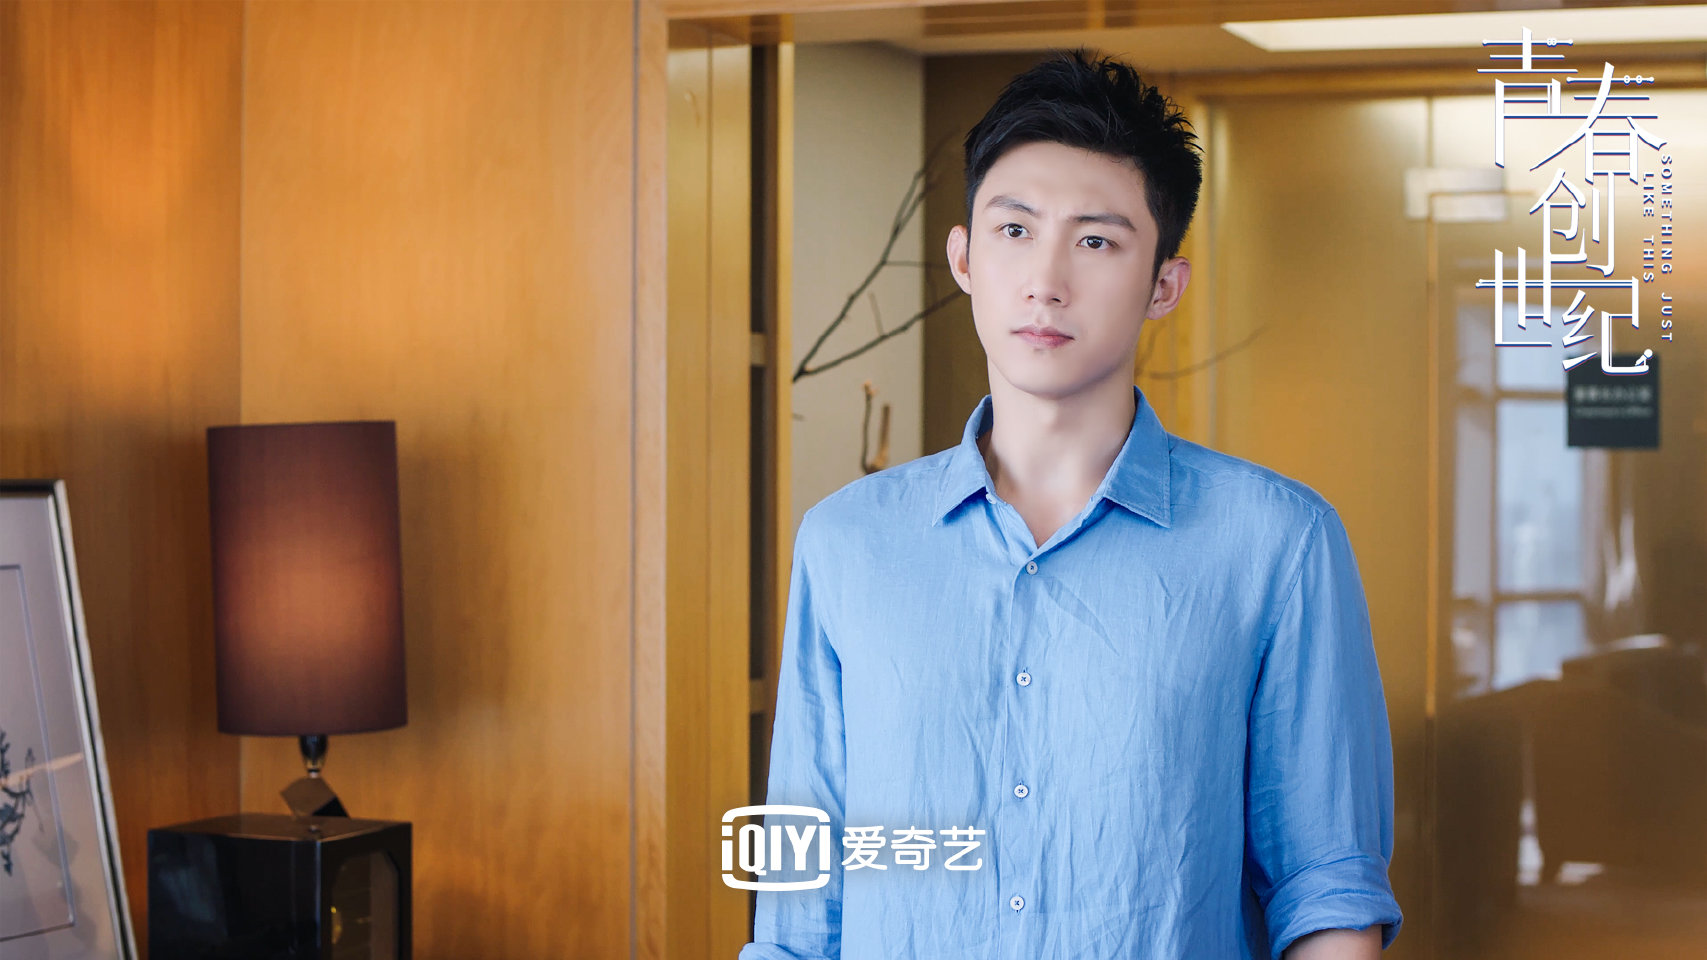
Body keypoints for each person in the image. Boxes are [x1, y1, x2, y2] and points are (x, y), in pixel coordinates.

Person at [737, 47, 1402, 960]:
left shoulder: (1275, 542)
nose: (1044, 280)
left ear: (1163, 284)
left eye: (1095, 241)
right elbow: (800, 905)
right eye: (1014, 230)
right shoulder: (848, 540)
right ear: (963, 258)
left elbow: (1326, 885)